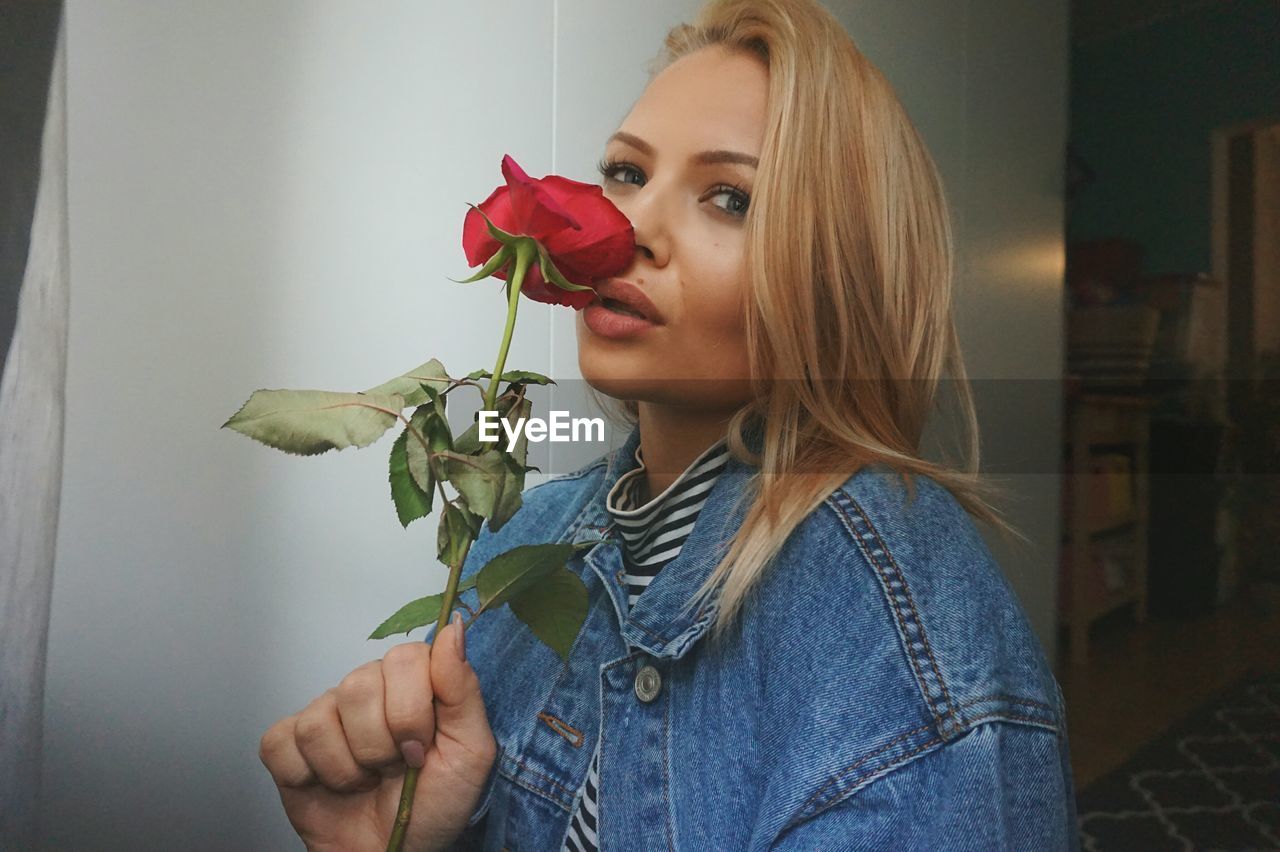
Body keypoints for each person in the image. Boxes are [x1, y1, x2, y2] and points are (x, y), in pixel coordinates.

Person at [258, 0, 1081, 849]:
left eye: (728, 197)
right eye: (625, 173)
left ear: (839, 274)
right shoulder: (522, 539)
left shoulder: (892, 630)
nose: (629, 230)